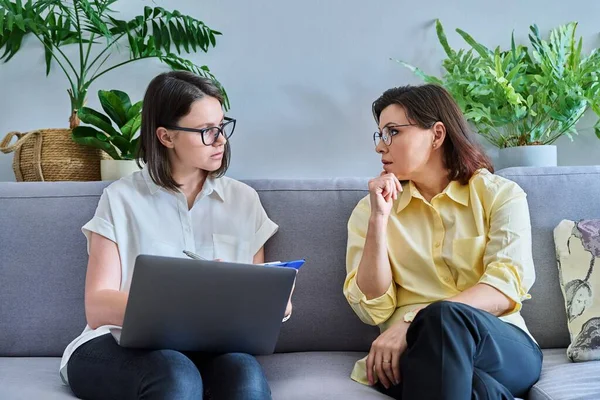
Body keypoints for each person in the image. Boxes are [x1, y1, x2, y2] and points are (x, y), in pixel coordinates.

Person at [60, 71, 290, 400]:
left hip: (212, 352)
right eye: (207, 131)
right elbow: (97, 306)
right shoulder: (122, 198)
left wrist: (275, 303)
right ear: (166, 137)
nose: (221, 140)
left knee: (246, 378)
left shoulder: (244, 201)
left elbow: (256, 294)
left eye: (222, 126)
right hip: (118, 346)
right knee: (177, 375)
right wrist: (187, 303)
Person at [343, 84, 542, 399]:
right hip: (411, 356)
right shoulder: (371, 208)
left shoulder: (499, 195)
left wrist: (414, 319)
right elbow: (374, 309)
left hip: (499, 346)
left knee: (442, 318)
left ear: (436, 135)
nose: (380, 147)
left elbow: (506, 285)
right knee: (477, 390)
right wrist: (379, 220)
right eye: (379, 134)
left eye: (392, 132)